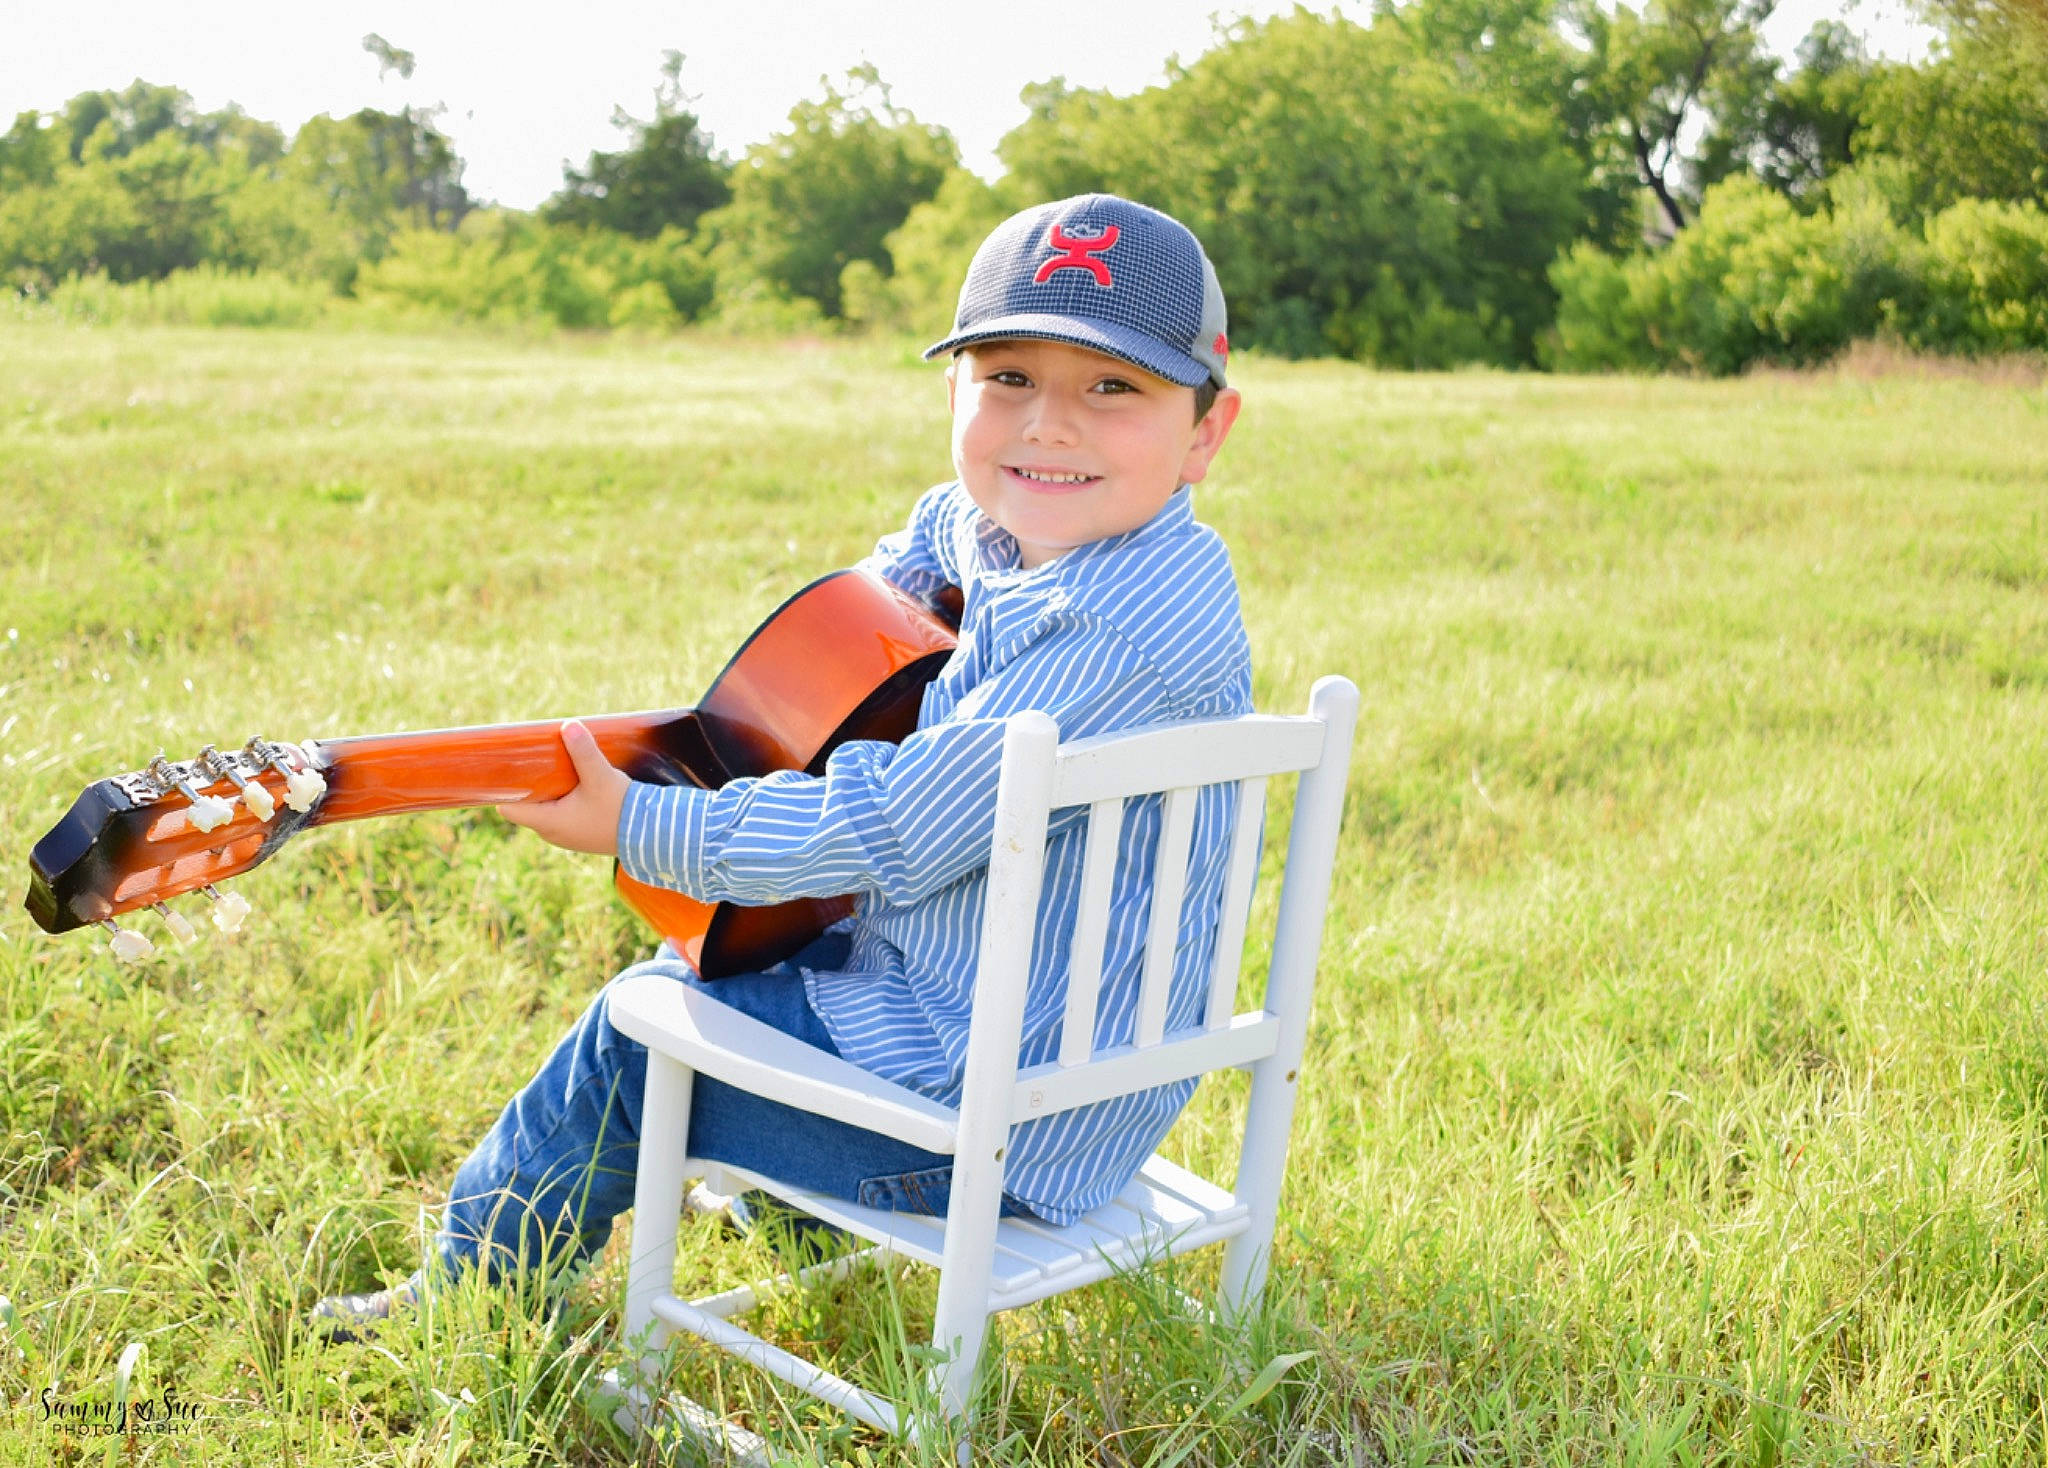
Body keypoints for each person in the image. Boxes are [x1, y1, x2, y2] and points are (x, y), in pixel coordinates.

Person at [312, 192, 1252, 1338]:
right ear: (951, 391)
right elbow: (911, 563)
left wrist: (636, 820)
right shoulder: (1057, 543)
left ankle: (468, 1302)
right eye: (1005, 377)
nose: (1046, 427)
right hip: (1045, 1070)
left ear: (1206, 429)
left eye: (1112, 387)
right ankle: (804, 1220)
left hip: (987, 1118)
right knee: (756, 952)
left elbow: (893, 830)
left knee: (633, 1030)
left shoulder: (1113, 635)